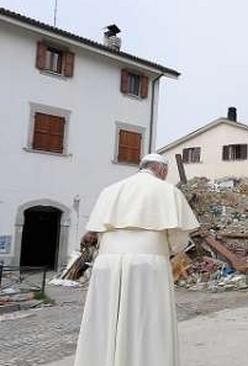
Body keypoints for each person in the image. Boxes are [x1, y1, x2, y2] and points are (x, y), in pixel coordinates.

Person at [74, 153, 199, 366]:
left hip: (107, 263)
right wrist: (169, 249)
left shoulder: (110, 190)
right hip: (148, 263)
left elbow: (97, 230)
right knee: (147, 321)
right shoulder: (168, 191)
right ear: (162, 170)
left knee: (105, 319)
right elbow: (179, 239)